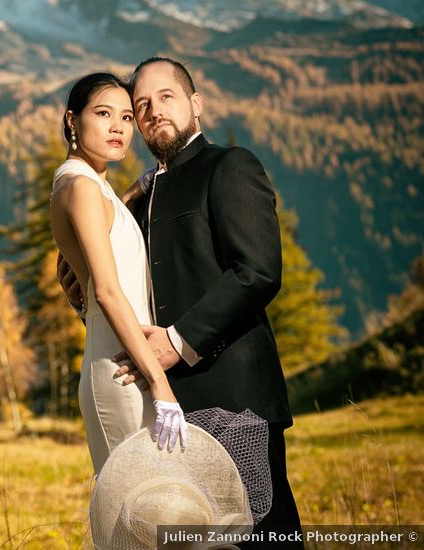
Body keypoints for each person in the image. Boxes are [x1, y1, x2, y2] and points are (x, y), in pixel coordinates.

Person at [59, 57, 303, 548]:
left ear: (197, 104)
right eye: (140, 105)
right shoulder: (145, 192)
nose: (151, 112)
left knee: (263, 535)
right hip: (164, 405)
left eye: (165, 97)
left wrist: (176, 342)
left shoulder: (229, 166)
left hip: (231, 395)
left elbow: (257, 273)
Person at [49, 72, 189, 485]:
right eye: (103, 113)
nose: (118, 127)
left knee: (159, 518)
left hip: (132, 365)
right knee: (141, 522)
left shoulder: (93, 186)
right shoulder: (81, 188)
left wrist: (137, 188)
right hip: (124, 376)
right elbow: (109, 293)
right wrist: (160, 384)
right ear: (72, 121)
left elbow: (105, 223)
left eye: (127, 117)